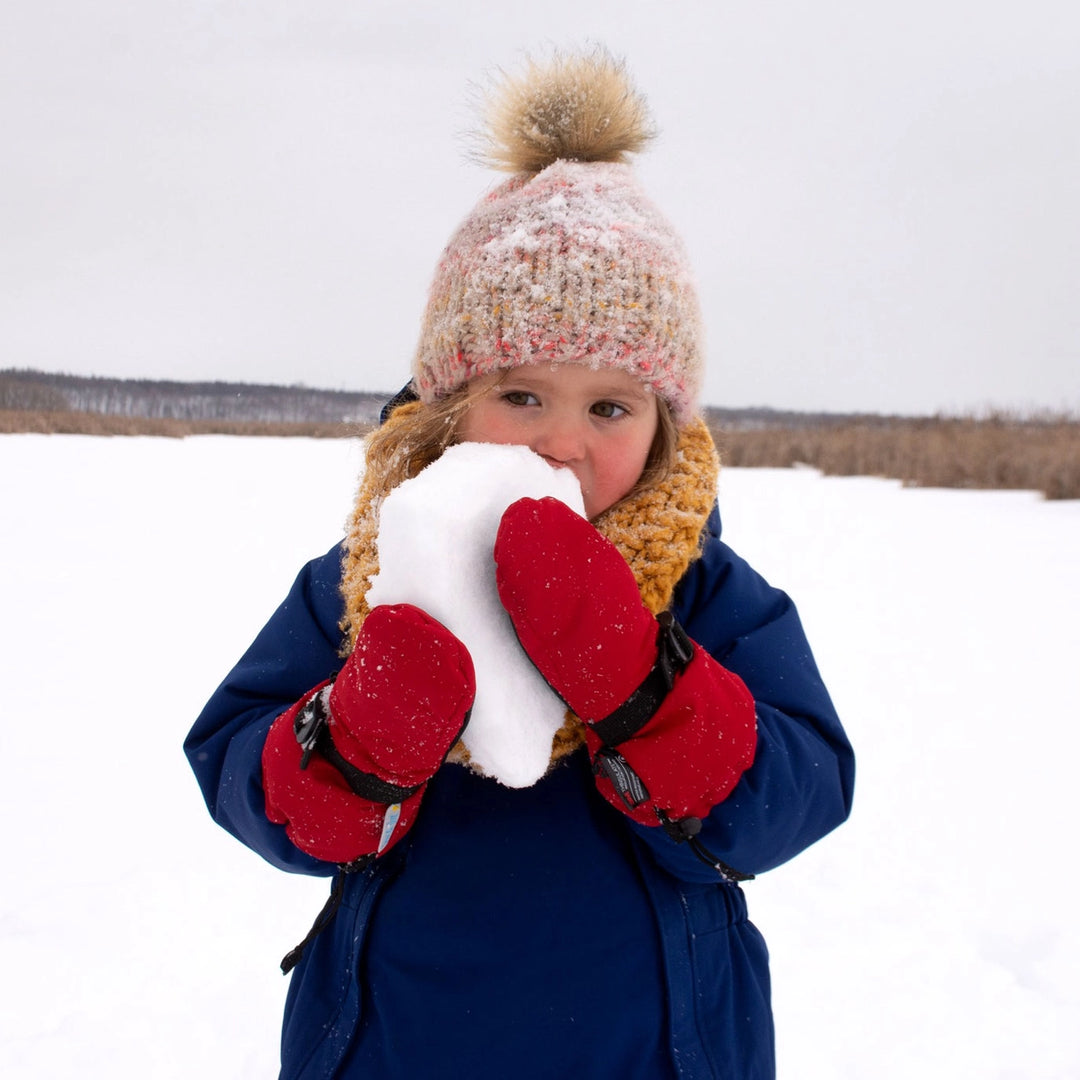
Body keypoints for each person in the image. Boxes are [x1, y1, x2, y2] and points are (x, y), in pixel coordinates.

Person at [185, 49, 855, 1080]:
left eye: (610, 407)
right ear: (449, 406)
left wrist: (644, 682)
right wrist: (354, 743)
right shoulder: (362, 579)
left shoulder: (706, 587)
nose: (563, 443)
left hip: (654, 1049)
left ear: (664, 426)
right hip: (398, 1042)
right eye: (524, 395)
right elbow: (234, 756)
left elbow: (802, 787)